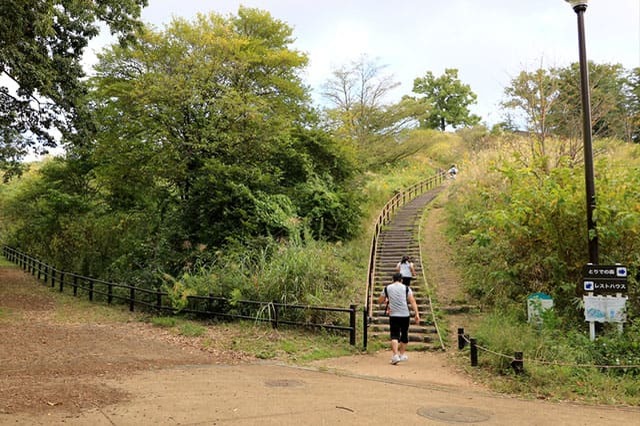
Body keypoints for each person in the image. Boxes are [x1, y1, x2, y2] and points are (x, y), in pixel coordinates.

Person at [378, 273, 420, 364]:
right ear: (401, 280)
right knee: (404, 334)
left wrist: (386, 299)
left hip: (394, 315)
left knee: (394, 335)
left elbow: (380, 300)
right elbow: (412, 301)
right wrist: (417, 313)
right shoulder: (406, 288)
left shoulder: (387, 288)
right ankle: (401, 354)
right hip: (405, 314)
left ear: (392, 279)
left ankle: (395, 355)